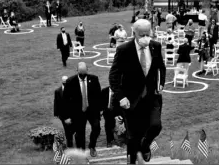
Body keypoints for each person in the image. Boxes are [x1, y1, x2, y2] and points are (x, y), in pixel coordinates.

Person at [109, 19, 166, 164]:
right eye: (142, 35)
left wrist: (161, 84)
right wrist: (121, 97)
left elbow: (161, 67)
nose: (146, 38)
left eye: (148, 34)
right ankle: (132, 161)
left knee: (156, 126)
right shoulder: (124, 50)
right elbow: (113, 76)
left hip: (152, 97)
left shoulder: (156, 46)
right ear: (134, 33)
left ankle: (145, 146)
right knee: (133, 136)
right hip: (131, 101)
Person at [63, 62, 102, 157]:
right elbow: (65, 100)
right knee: (80, 133)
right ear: (77, 71)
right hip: (78, 112)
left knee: (97, 128)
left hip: (92, 110)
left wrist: (100, 109)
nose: (83, 77)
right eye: (81, 74)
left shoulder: (94, 79)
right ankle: (82, 152)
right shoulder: (70, 81)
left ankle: (92, 146)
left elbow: (99, 95)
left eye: (85, 74)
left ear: (87, 70)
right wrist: (67, 116)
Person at [54, 76, 75, 148]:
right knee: (67, 130)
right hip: (63, 115)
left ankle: (70, 139)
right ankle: (70, 145)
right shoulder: (57, 91)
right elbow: (56, 102)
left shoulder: (73, 89)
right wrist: (56, 113)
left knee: (73, 129)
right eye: (64, 83)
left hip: (73, 114)